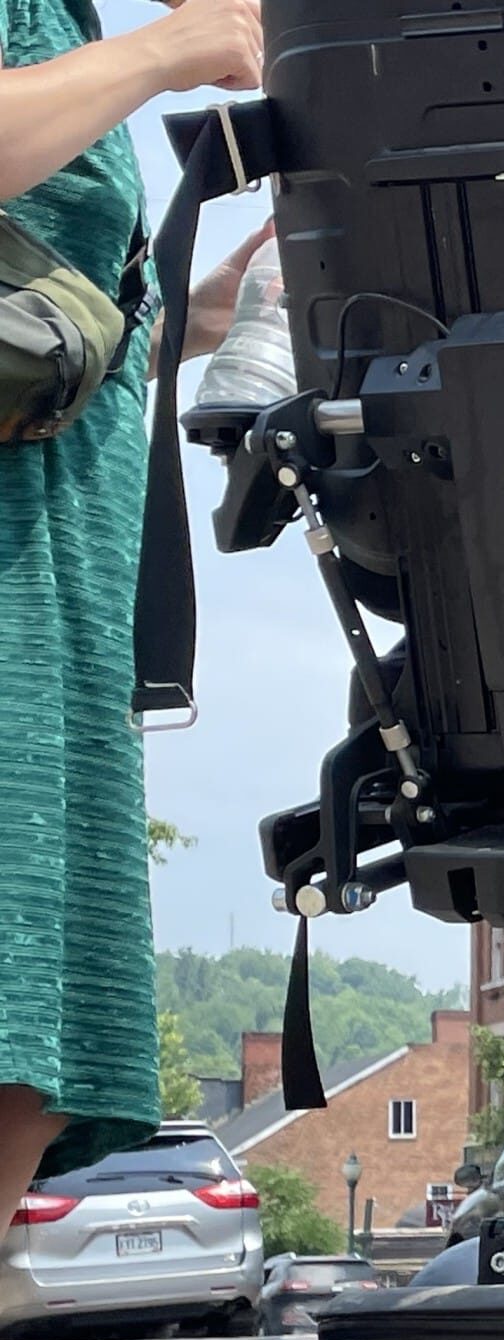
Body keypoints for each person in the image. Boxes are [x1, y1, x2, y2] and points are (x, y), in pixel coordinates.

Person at [0, 0, 268, 1220]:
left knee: (24, 1063)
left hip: (58, 615)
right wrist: (174, 48)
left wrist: (198, 311)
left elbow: (50, 323)